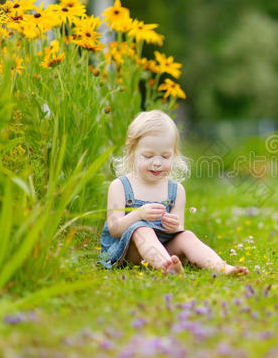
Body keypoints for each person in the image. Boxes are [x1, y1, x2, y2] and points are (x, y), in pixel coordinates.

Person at [99, 110, 248, 275]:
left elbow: (178, 230)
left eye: (165, 156)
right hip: (127, 252)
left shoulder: (176, 190)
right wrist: (138, 214)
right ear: (132, 154)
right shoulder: (120, 186)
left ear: (174, 155)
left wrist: (173, 226)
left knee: (188, 236)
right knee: (142, 229)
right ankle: (169, 268)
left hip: (164, 248)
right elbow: (114, 228)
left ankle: (222, 268)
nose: (157, 163)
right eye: (148, 156)